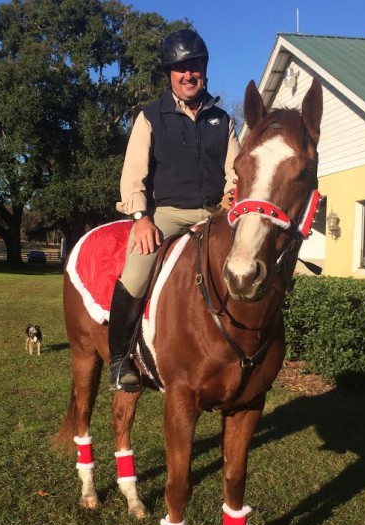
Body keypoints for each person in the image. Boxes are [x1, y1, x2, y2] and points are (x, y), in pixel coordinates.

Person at [108, 28, 240, 391]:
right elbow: (133, 174)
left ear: (204, 69)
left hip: (214, 215)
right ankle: (120, 361)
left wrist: (230, 201)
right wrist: (140, 219)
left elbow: (236, 171)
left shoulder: (223, 120)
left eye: (194, 66)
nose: (188, 74)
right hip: (166, 214)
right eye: (180, 68)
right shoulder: (150, 117)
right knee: (135, 275)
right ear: (169, 74)